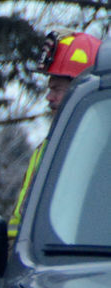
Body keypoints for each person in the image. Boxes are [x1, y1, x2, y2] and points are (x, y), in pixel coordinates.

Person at [9, 31, 103, 238]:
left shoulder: (102, 148)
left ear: (81, 89)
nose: (48, 97)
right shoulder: (50, 146)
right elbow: (21, 222)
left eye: (57, 89)